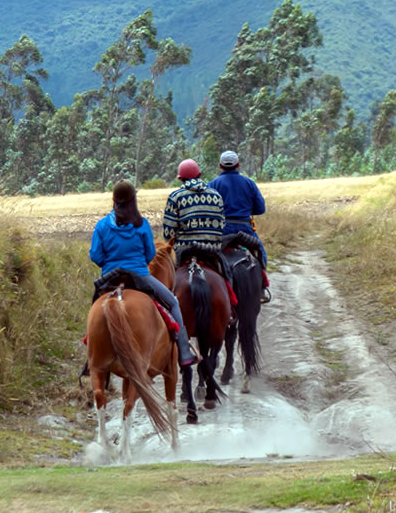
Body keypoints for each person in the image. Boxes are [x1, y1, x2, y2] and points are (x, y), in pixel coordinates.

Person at [90, 181, 200, 367]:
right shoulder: (142, 225)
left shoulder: (102, 226)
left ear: (114, 200)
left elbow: (96, 255)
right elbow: (150, 254)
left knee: (95, 306)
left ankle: (91, 355)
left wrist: (109, 263)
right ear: (134, 201)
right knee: (173, 302)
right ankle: (183, 350)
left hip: (110, 277)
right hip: (139, 276)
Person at [208, 149, 269, 268]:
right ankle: (263, 283)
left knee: (209, 260)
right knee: (262, 254)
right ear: (238, 165)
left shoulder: (212, 185)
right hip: (245, 229)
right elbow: (261, 209)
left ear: (220, 166)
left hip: (222, 230)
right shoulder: (249, 183)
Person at [163, 159, 225, 256]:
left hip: (184, 252)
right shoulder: (216, 196)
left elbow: (168, 234)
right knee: (227, 270)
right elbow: (222, 224)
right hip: (213, 251)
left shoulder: (175, 197)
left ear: (181, 178)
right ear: (199, 175)